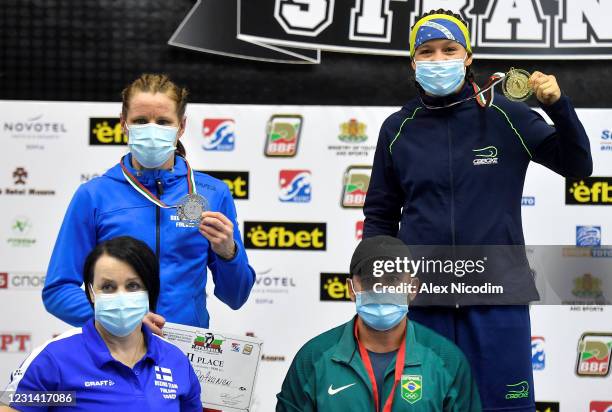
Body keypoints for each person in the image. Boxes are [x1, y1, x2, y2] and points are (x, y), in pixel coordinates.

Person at [363, 9, 593, 412]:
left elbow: (578, 166)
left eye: (449, 49)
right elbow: (381, 213)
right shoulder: (398, 127)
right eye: (427, 52)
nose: (439, 60)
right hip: (423, 299)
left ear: (468, 56)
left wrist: (559, 107)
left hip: (497, 299)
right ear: (412, 62)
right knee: (420, 405)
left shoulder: (509, 115)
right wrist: (374, 280)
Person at [43, 73, 255, 333]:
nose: (152, 129)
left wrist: (228, 253)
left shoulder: (213, 194)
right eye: (141, 121)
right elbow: (58, 290)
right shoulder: (93, 195)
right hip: (116, 350)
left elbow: (237, 296)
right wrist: (118, 320)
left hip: (185, 354)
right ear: (123, 123)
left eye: (164, 121)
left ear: (181, 127)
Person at [276, 236, 481, 411]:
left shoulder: (448, 360)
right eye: (369, 280)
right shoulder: (313, 358)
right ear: (350, 289)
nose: (381, 289)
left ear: (413, 287)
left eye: (392, 279)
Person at [0, 236, 201, 411]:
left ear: (150, 290)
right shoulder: (53, 359)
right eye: (108, 286)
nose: (121, 296)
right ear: (91, 293)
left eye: (133, 286)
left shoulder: (176, 360)